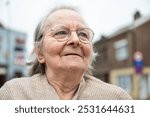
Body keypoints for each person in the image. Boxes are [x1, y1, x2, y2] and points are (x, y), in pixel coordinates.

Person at [0, 6, 132, 100]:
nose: (75, 40)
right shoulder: (13, 94)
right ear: (39, 52)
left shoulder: (116, 99)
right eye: (61, 32)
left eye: (83, 34)